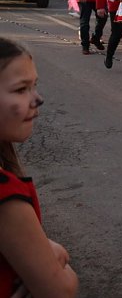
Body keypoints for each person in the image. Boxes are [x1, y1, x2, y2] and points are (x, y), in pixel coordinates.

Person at [0, 37, 79, 296]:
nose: (38, 99)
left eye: (34, 86)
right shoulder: (6, 196)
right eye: (21, 89)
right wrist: (51, 254)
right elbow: (60, 289)